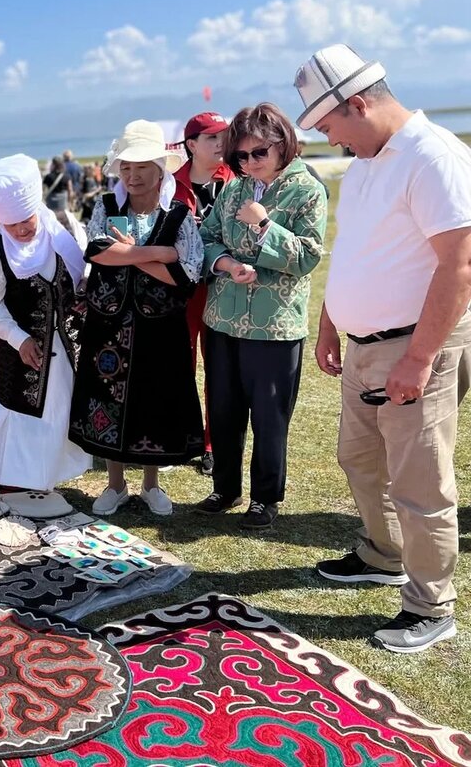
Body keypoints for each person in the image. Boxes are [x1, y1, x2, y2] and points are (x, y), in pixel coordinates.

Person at [296, 44, 471, 653]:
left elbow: (459, 265)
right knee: (359, 459)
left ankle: (430, 603)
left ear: (359, 103)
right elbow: (354, 254)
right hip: (365, 344)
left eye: (329, 126)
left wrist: (419, 360)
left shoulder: (434, 155)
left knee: (419, 481)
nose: (332, 140)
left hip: (414, 346)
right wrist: (328, 320)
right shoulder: (371, 160)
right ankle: (383, 552)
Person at [195, 103, 327, 530]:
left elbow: (308, 256)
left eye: (258, 153)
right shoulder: (233, 189)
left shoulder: (307, 190)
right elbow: (207, 237)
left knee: (270, 417)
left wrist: (266, 225)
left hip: (275, 326)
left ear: (282, 145)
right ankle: (225, 488)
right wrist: (226, 265)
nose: (248, 163)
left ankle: (265, 498)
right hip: (222, 319)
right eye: (240, 156)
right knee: (224, 409)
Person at [69, 120, 206, 516]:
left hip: (159, 327)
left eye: (142, 166)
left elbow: (187, 274)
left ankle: (150, 484)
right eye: (126, 167)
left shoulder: (178, 214)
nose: (133, 175)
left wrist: (134, 254)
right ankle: (114, 484)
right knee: (108, 398)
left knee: (154, 399)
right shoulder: (106, 207)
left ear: (159, 169)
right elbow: (97, 252)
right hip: (108, 325)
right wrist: (158, 253)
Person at [0, 154, 91, 512]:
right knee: (23, 414)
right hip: (18, 349)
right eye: (12, 226)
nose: (22, 230)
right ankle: (18, 483)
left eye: (26, 221)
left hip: (63, 345)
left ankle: (47, 479)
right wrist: (19, 338)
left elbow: (77, 275)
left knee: (57, 409)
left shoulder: (59, 231)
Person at [174, 111, 237, 477]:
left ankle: (211, 443)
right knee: (181, 366)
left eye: (224, 136)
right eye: (212, 137)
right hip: (182, 290)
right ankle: (183, 435)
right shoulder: (171, 184)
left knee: (218, 369)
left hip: (221, 288)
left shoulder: (236, 180)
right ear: (191, 144)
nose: (221, 143)